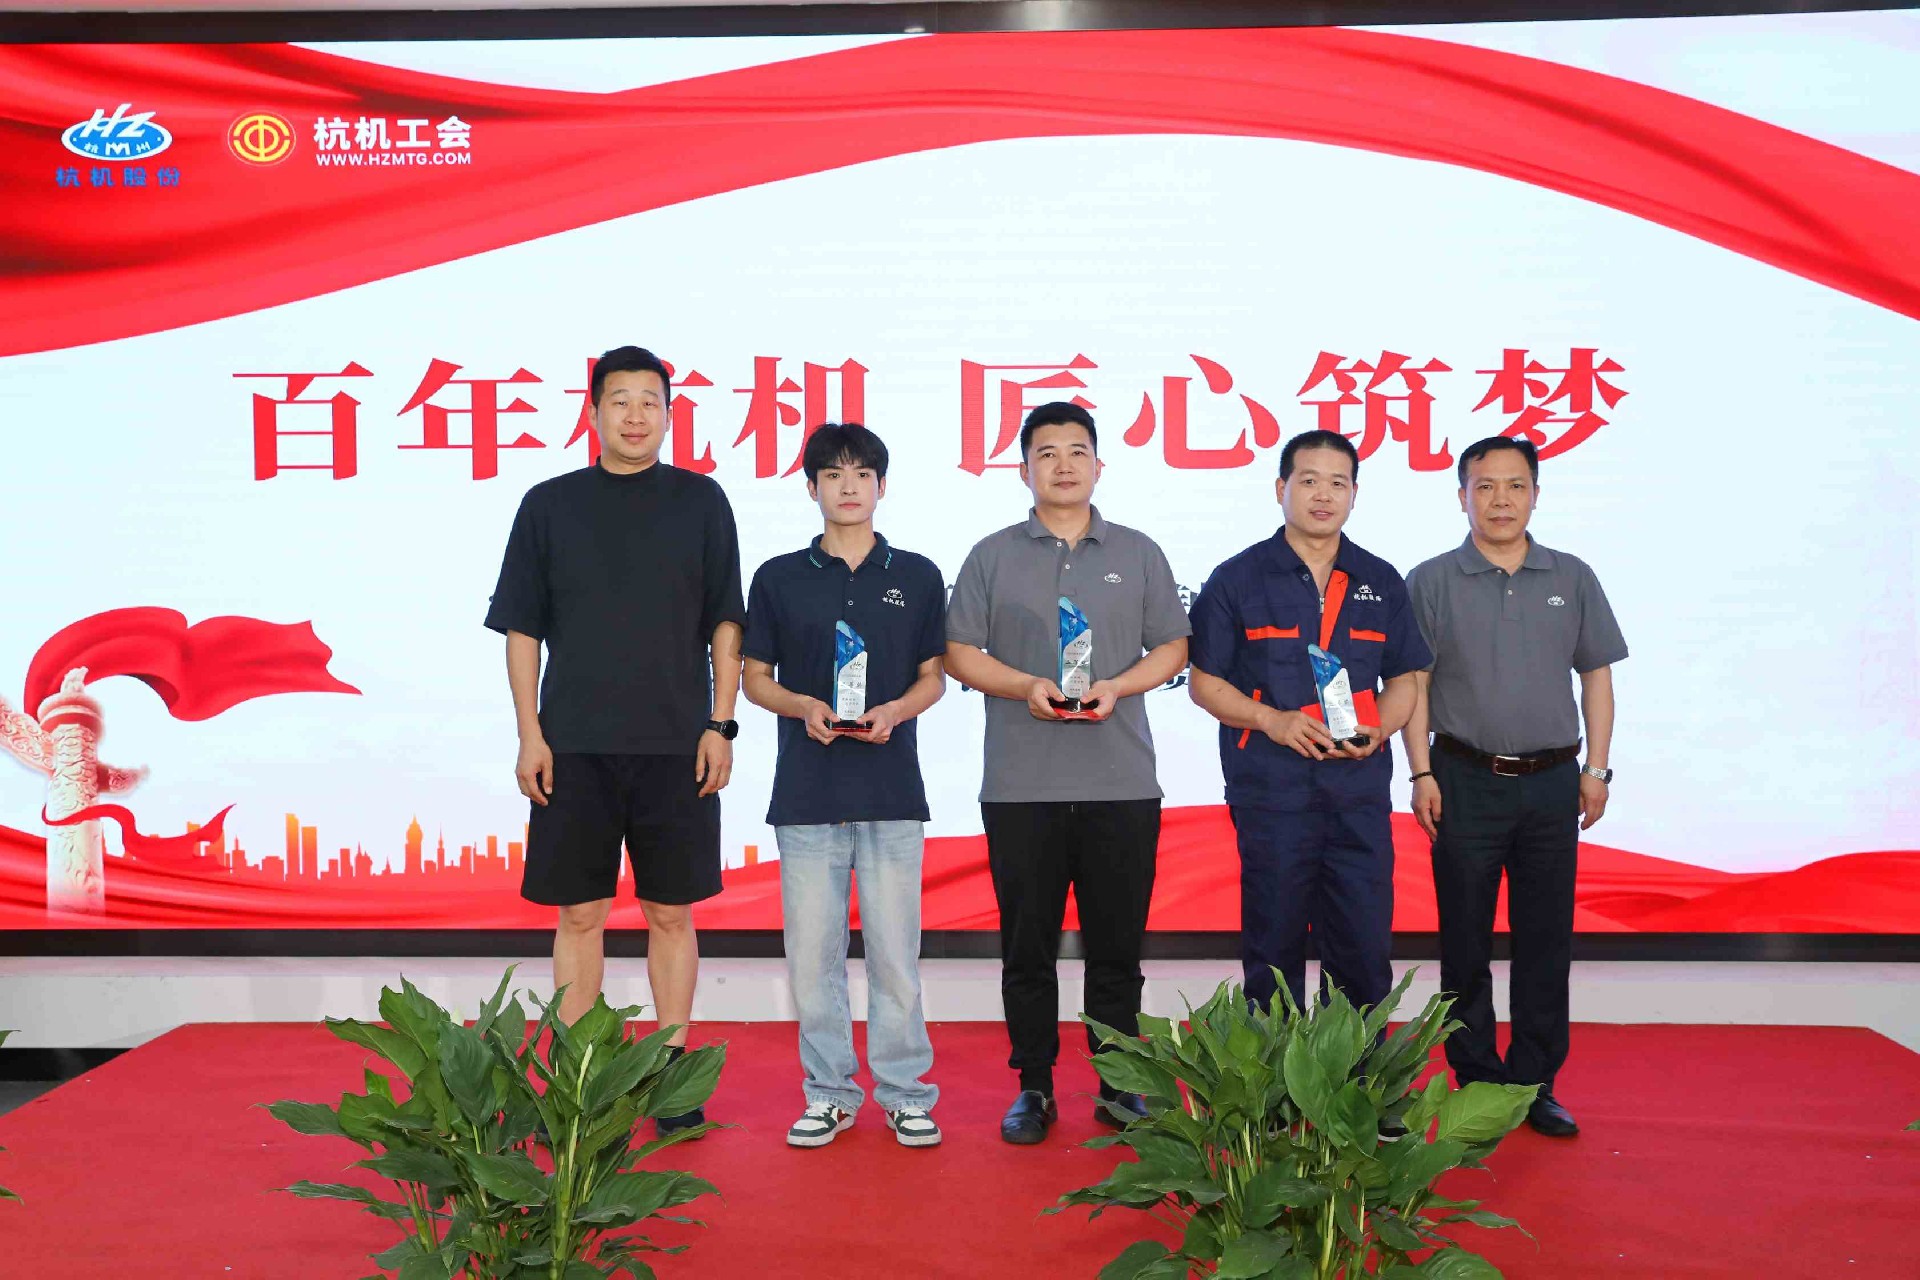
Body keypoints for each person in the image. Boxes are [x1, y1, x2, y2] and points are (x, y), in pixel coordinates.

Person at [483, 344, 744, 1137]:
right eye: (620, 400)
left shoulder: (701, 501)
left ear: (669, 413)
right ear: (593, 412)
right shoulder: (549, 504)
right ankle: (579, 1078)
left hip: (676, 744)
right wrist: (530, 733)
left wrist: (720, 723)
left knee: (672, 913)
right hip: (574, 745)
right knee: (580, 914)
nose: (636, 415)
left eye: (650, 401)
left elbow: (725, 623)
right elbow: (522, 630)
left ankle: (673, 1075)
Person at [944, 402, 1191, 1145]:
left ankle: (1119, 1084)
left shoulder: (1139, 552)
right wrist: (1026, 686)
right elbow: (960, 653)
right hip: (1022, 787)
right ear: (1024, 469)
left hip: (1121, 783)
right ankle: (1035, 1086)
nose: (1062, 464)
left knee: (1118, 947)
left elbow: (1173, 646)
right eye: (1046, 452)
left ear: (1098, 465)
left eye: (1077, 451)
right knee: (1028, 949)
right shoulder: (991, 556)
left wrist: (1120, 685)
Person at [1401, 435, 1626, 1138]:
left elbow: (1596, 675)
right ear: (1461, 495)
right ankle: (1476, 1079)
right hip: (1463, 779)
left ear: (1535, 494)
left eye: (1515, 485)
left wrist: (1596, 769)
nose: (1501, 500)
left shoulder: (1572, 575)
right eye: (1485, 486)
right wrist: (1421, 772)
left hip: (1552, 783)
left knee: (1545, 941)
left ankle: (1534, 1083)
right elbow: (1414, 685)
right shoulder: (1431, 580)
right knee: (1464, 942)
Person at [742, 422, 948, 1150]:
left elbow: (933, 677)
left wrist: (896, 711)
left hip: (891, 791)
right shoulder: (778, 577)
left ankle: (906, 1093)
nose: (849, 487)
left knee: (895, 957)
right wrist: (803, 706)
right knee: (813, 960)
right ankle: (828, 1092)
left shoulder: (917, 575)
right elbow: (754, 678)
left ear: (882, 486)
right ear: (812, 488)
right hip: (807, 793)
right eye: (833, 474)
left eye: (862, 474)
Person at [1187, 429, 1428, 1018]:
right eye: (1309, 480)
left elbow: (1405, 680)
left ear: (1354, 495)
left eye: (1338, 483)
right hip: (1272, 792)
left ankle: (1358, 1075)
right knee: (1273, 950)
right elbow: (1205, 683)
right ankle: (1271, 1077)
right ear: (1281, 488)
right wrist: (1271, 720)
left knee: (1363, 950)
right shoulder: (1237, 578)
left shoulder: (1381, 580)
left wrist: (1379, 729)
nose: (1324, 495)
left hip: (1357, 793)